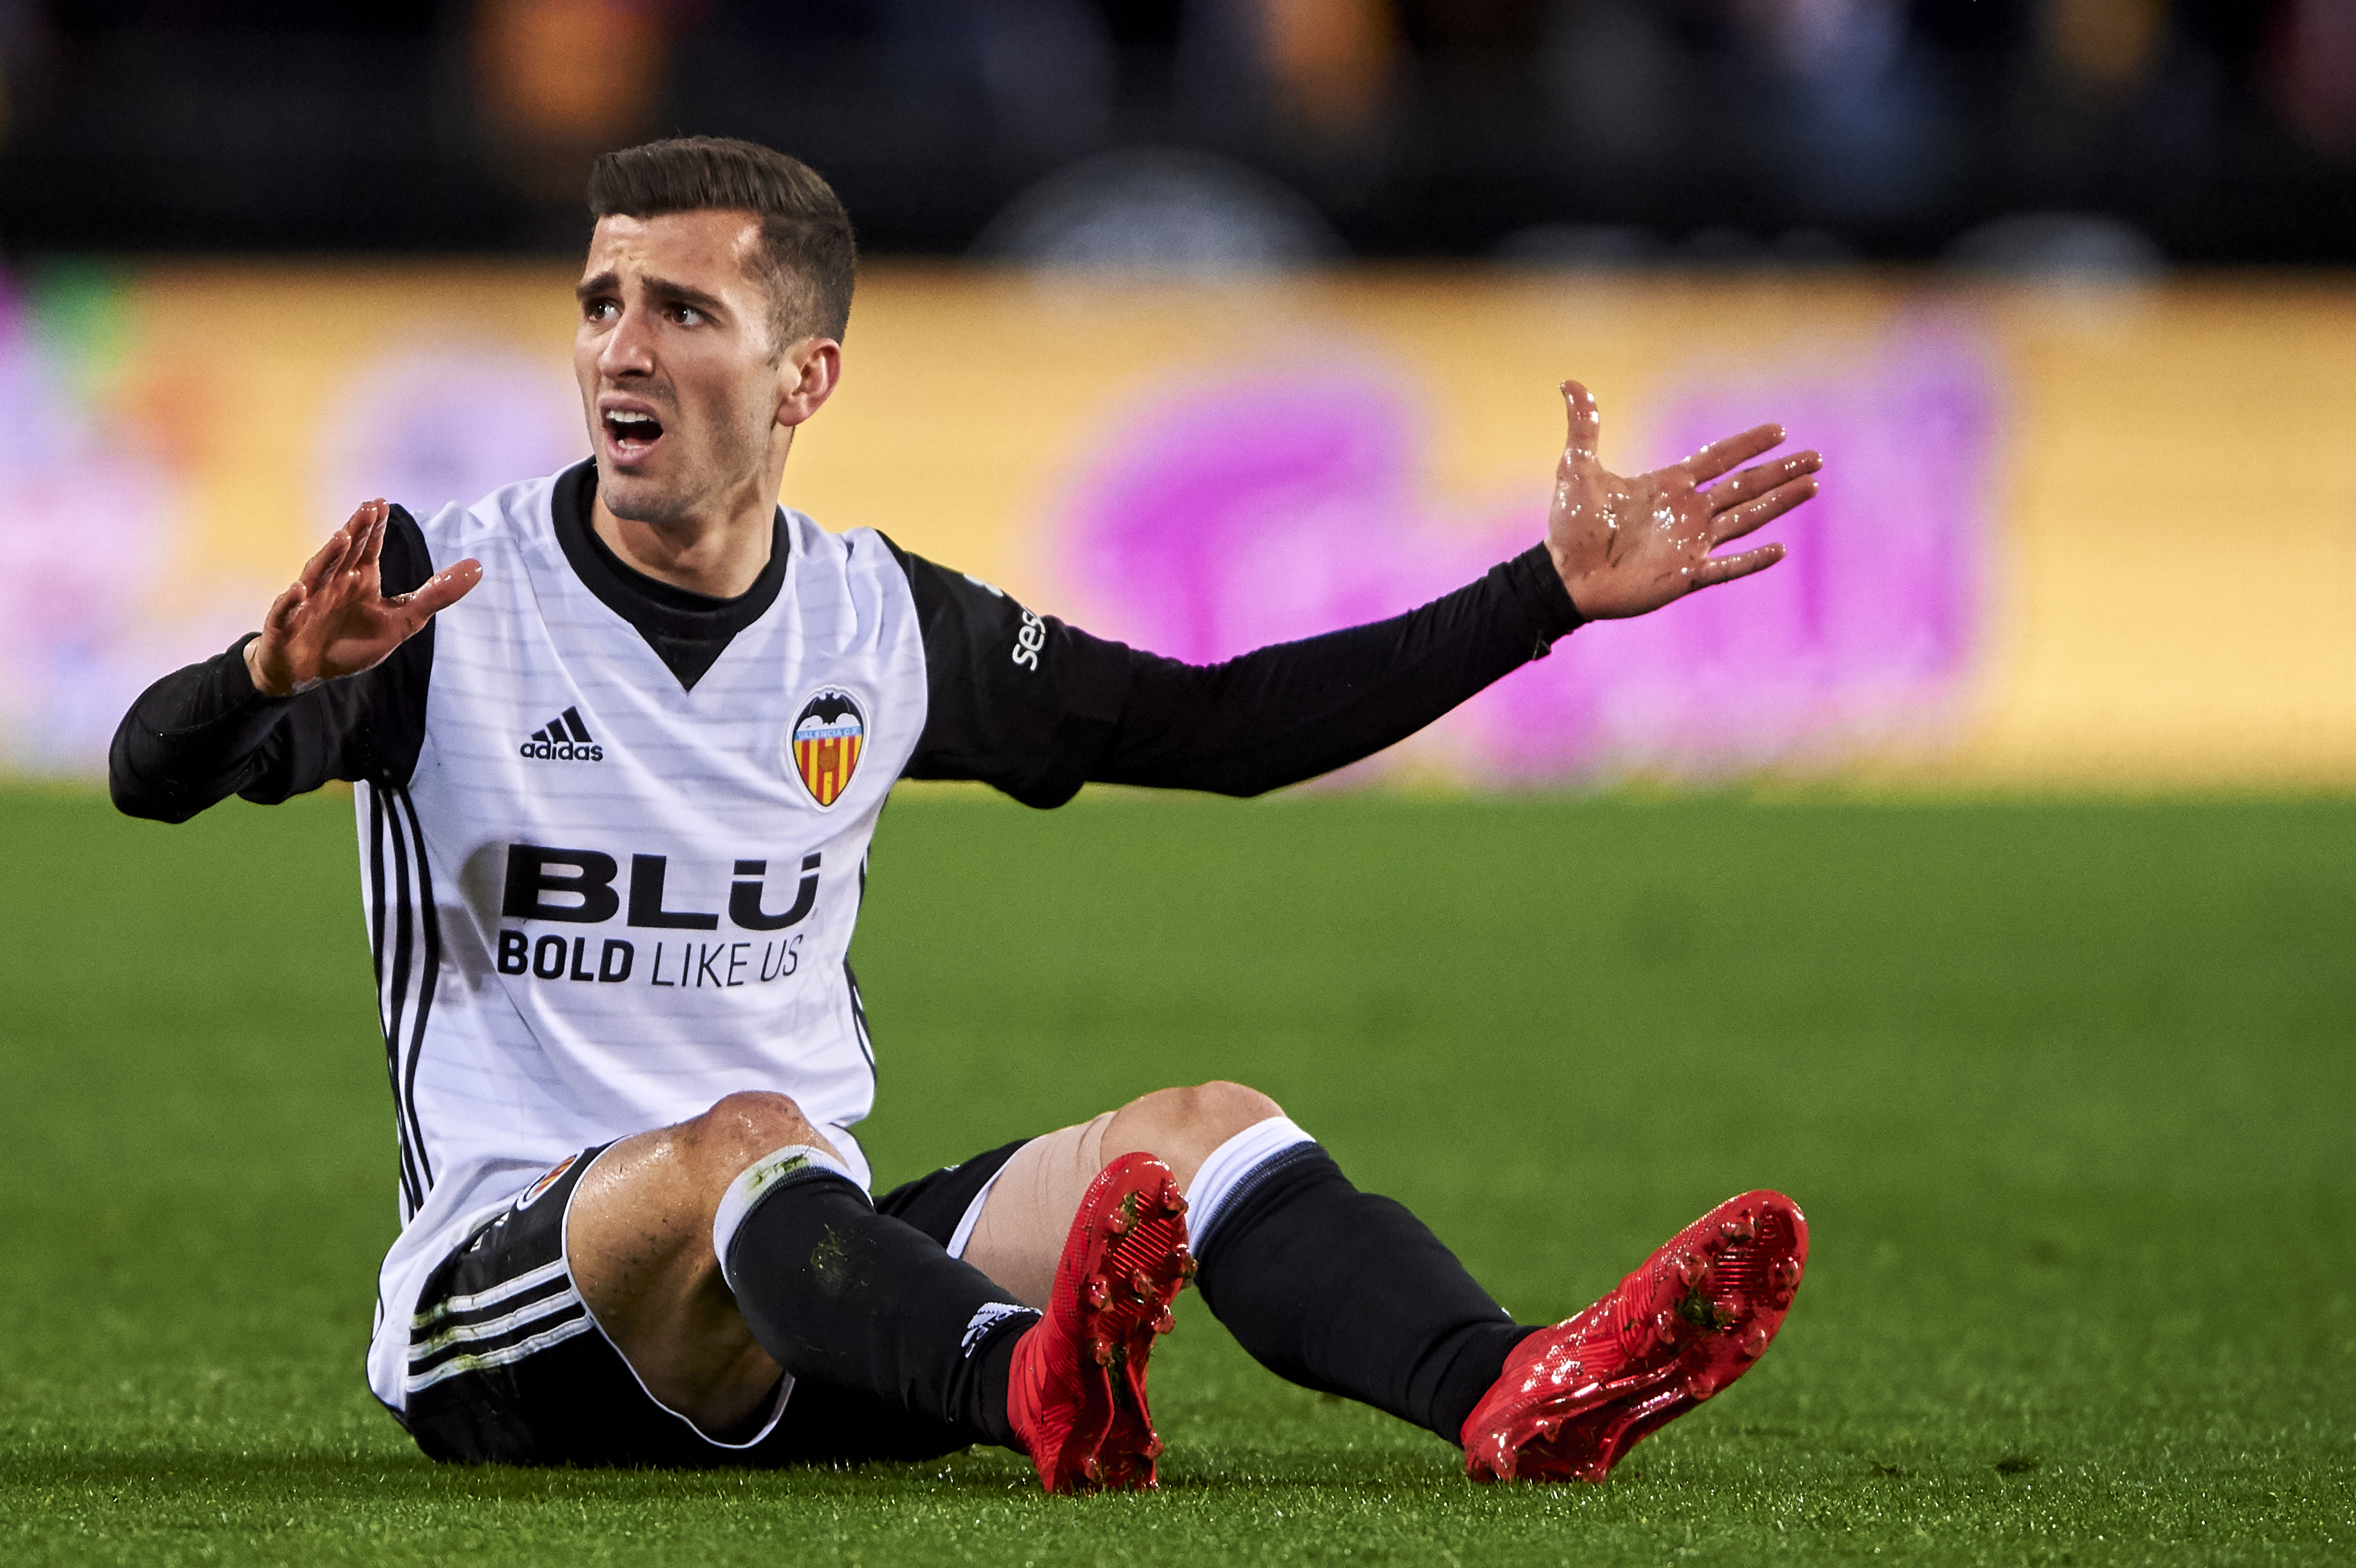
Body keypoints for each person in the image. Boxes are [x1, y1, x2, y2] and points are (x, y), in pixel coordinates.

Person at [110, 137, 1821, 1491]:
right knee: (740, 1139)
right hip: (520, 1326)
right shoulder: (437, 591)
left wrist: (1542, 595)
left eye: (682, 310)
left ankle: (1508, 1382)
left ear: (806, 377)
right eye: (600, 299)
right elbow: (147, 771)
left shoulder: (877, 622)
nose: (619, 346)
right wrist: (261, 684)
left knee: (1203, 1124)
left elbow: (1217, 726)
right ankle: (1033, 1377)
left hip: (828, 1305)